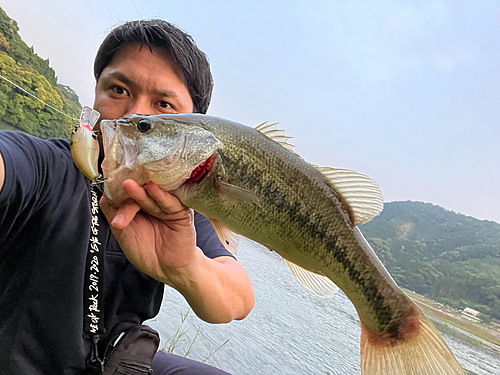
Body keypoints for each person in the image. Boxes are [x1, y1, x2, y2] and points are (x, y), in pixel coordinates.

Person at [0, 19, 254, 374]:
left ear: (195, 129)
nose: (136, 114)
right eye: (118, 90)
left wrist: (185, 267)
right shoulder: (45, 166)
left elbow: (238, 298)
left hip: (117, 362)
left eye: (163, 104)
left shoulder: (180, 209)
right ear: (96, 95)